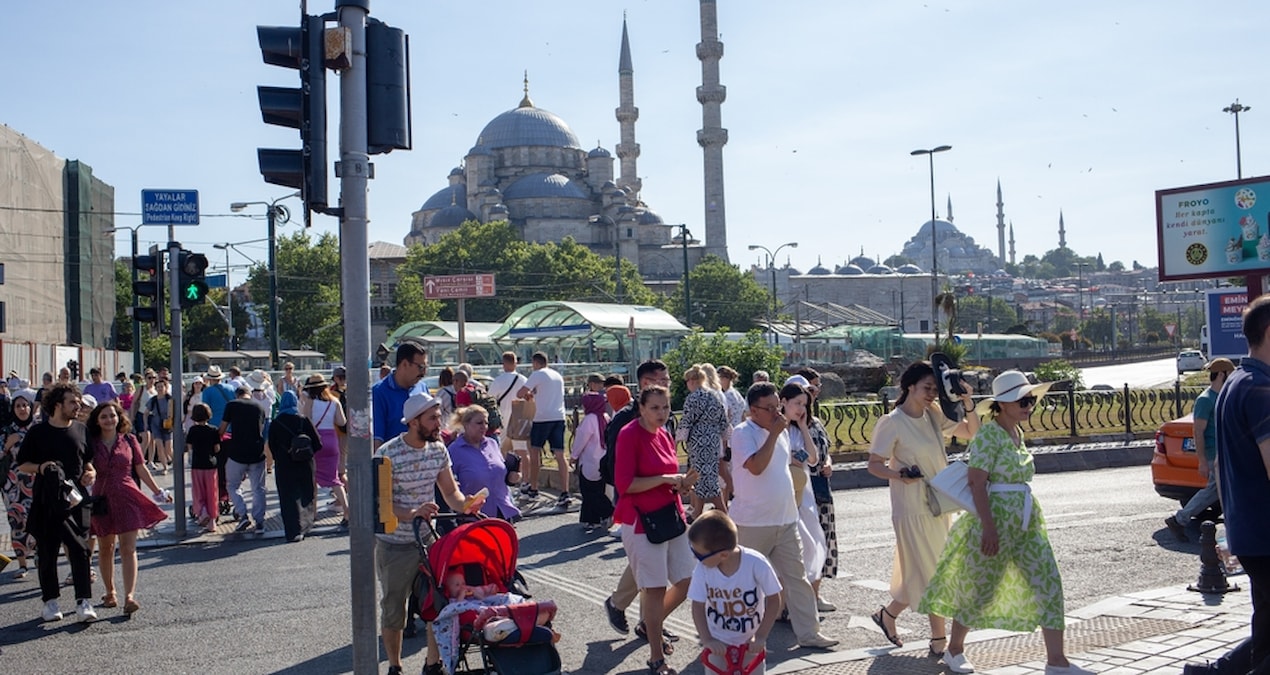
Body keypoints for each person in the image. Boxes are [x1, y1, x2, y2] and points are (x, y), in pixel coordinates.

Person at [918, 370, 1091, 675]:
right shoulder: (989, 434)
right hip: (994, 522)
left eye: (1031, 399)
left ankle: (1057, 661)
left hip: (1026, 523)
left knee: (1049, 582)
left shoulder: (1016, 433)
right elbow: (976, 482)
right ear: (1003, 404)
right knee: (980, 589)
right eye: (1023, 400)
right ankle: (955, 649)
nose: (1029, 405)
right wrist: (989, 527)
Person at [866, 360, 979, 654]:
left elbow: (972, 432)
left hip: (939, 504)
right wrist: (899, 475)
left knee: (923, 570)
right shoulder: (891, 422)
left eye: (935, 388)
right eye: (927, 387)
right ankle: (939, 639)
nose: (931, 393)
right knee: (934, 570)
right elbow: (874, 465)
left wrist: (968, 401)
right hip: (910, 508)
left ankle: (887, 615)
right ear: (909, 386)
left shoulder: (933, 414)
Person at [375, 392, 484, 675]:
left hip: (426, 541)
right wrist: (412, 513)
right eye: (433, 418)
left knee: (436, 605)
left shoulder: (438, 450)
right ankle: (395, 666)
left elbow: (450, 492)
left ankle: (432, 664)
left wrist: (466, 504)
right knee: (394, 609)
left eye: (439, 416)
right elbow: (382, 502)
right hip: (395, 544)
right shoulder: (387, 452)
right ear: (414, 422)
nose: (440, 423)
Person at [730, 381, 839, 651]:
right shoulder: (744, 433)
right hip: (753, 522)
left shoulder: (781, 432)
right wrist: (774, 433)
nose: (776, 413)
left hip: (786, 519)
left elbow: (800, 461)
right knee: (745, 582)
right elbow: (755, 466)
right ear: (753, 410)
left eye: (777, 406)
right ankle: (737, 637)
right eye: (769, 408)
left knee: (797, 579)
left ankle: (809, 633)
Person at [1196, 295, 1270, 675]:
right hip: (1266, 532)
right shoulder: (1261, 390)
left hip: (1250, 530)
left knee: (1267, 628)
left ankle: (1215, 672)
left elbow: (1223, 465)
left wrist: (1231, 529)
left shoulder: (1235, 383)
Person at [614, 385, 699, 675]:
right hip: (641, 522)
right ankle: (656, 657)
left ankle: (650, 624)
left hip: (670, 516)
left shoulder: (663, 433)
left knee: (688, 580)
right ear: (641, 408)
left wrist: (682, 483)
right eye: (655, 408)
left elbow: (667, 477)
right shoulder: (629, 435)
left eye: (665, 407)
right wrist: (665, 478)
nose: (662, 413)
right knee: (654, 588)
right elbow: (626, 485)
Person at [14, 383, 97, 623]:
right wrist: (41, 467)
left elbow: (88, 462)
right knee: (48, 550)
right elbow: (22, 464)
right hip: (47, 500)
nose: (77, 405)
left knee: (80, 549)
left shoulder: (81, 430)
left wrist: (91, 473)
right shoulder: (38, 433)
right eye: (72, 402)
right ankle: (50, 602)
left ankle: (83, 601)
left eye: (78, 401)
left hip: (77, 500)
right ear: (57, 405)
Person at [603, 360, 674, 639]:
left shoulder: (664, 415)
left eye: (667, 380)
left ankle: (643, 617)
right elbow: (614, 465)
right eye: (662, 380)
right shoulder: (625, 420)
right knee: (649, 566)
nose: (667, 385)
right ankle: (646, 621)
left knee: (652, 566)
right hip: (635, 503)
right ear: (646, 383)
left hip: (664, 501)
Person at [87, 400, 169, 616]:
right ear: (97, 420)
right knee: (105, 547)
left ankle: (129, 596)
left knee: (128, 548)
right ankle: (110, 591)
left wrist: (157, 491)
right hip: (101, 499)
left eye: (112, 415)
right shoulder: (91, 442)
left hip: (127, 495)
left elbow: (140, 468)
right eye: (104, 416)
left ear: (119, 417)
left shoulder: (130, 440)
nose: (109, 420)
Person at [688, 509, 783, 675]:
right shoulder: (702, 570)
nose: (696, 558)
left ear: (723, 555)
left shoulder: (755, 563)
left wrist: (761, 636)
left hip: (751, 642)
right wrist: (707, 639)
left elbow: (774, 599)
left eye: (699, 555)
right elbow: (697, 605)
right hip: (718, 641)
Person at [1166, 357, 1235, 542]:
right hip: (1214, 456)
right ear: (1221, 374)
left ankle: (1179, 520)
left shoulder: (1221, 396)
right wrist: (1202, 461)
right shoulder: (1205, 400)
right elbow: (1198, 432)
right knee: (1219, 492)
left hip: (1223, 455)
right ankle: (1179, 520)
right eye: (1230, 373)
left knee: (1218, 492)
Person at [779, 380, 829, 611]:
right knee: (790, 545)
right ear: (784, 403)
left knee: (812, 541)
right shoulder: (776, 429)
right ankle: (784, 601)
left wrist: (803, 426)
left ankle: (805, 596)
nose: (801, 408)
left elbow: (813, 458)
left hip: (804, 493)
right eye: (797, 403)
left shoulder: (800, 430)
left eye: (805, 405)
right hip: (782, 492)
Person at [798, 368, 840, 608]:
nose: (815, 393)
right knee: (807, 543)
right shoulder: (792, 426)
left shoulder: (816, 422)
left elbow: (826, 451)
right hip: (805, 488)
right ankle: (801, 599)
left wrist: (828, 463)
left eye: (815, 389)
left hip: (822, 486)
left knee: (823, 538)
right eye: (810, 389)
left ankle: (815, 594)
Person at [446, 405, 520, 521]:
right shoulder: (454, 450)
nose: (484, 427)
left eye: (486, 423)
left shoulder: (492, 444)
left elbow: (499, 474)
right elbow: (449, 486)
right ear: (466, 424)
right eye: (479, 423)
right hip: (475, 516)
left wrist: (511, 479)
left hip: (503, 510)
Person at [266, 392, 321, 542]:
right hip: (305, 464)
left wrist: (281, 457)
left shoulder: (276, 423)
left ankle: (292, 531)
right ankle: (306, 525)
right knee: (306, 494)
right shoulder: (303, 420)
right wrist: (306, 454)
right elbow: (317, 444)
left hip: (284, 465)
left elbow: (272, 445)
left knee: (287, 498)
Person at [518, 351, 569, 505]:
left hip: (542, 418)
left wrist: (528, 394)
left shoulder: (537, 374)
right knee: (560, 455)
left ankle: (534, 488)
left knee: (534, 452)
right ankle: (565, 491)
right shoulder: (557, 376)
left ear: (535, 363)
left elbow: (520, 393)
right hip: (559, 416)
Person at [680, 364, 730, 518]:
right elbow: (724, 421)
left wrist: (678, 440)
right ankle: (698, 511)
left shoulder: (692, 398)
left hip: (698, 441)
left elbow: (686, 421)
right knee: (707, 474)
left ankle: (720, 512)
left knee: (701, 474)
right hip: (713, 440)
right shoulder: (714, 396)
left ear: (693, 381)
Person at [218, 387, 268, 533]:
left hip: (237, 452)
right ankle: (259, 522)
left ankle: (242, 514)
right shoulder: (259, 407)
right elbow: (262, 429)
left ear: (237, 395)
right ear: (249, 394)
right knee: (258, 489)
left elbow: (222, 429)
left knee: (232, 486)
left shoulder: (232, 405)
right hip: (257, 453)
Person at [302, 373, 348, 527]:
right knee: (334, 478)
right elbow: (342, 421)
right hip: (332, 440)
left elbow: (305, 419)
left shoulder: (310, 401)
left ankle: (313, 512)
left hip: (315, 440)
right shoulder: (334, 401)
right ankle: (347, 510)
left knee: (312, 478)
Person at [2, 388, 37, 579]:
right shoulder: (7, 430)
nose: (22, 409)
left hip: (36, 482)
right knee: (17, 523)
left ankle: (41, 559)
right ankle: (22, 564)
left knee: (39, 521)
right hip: (12, 486)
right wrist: (7, 445)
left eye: (25, 405)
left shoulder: (38, 428)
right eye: (18, 406)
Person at [372, 340, 429, 451]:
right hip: (394, 462)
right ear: (404, 364)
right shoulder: (379, 392)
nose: (424, 372)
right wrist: (379, 466)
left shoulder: (422, 388)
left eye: (426, 367)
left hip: (424, 461)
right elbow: (377, 439)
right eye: (421, 367)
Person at [569, 391, 613, 532]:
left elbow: (581, 439)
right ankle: (591, 519)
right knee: (598, 489)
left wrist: (574, 455)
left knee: (589, 492)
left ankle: (608, 511)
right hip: (603, 459)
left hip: (590, 460)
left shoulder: (589, 419)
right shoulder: (605, 417)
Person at [185, 403, 221, 533]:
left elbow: (189, 447)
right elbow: (217, 448)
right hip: (211, 464)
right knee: (212, 492)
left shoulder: (193, 430)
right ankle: (212, 521)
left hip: (197, 465)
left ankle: (202, 513)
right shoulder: (213, 429)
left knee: (198, 491)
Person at [488, 351, 527, 456]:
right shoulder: (523, 380)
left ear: (503, 364)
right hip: (520, 418)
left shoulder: (498, 381)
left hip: (503, 418)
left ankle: (505, 471)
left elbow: (490, 399)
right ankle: (524, 472)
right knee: (521, 451)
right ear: (515, 363)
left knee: (502, 450)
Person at [147, 376, 176, 474]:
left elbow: (174, 413)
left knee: (168, 448)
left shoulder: (170, 399)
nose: (160, 389)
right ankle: (164, 467)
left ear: (165, 387)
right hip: (156, 425)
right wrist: (145, 424)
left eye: (161, 387)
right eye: (158, 387)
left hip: (168, 425)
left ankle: (176, 464)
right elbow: (146, 412)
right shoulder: (153, 400)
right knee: (159, 445)